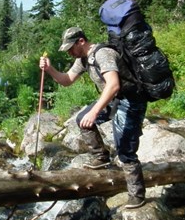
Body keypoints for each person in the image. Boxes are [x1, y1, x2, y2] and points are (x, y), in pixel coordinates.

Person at [39, 26, 148, 209]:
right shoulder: (83, 59)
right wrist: (50, 69)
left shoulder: (103, 54)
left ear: (81, 41)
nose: (69, 53)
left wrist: (95, 111)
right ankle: (101, 156)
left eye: (71, 48)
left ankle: (137, 195)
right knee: (82, 119)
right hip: (114, 99)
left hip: (131, 100)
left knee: (126, 151)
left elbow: (113, 85)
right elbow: (66, 80)